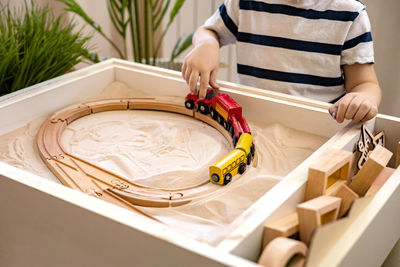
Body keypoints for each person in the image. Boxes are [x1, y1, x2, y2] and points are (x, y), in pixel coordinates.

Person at [181, 0, 381, 123]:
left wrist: (363, 99)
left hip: (320, 130)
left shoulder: (351, 13)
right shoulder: (243, 2)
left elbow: (365, 84)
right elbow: (209, 30)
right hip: (253, 122)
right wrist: (206, 43)